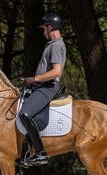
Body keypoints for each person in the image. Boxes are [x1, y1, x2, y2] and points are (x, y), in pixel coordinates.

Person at [19, 13, 66, 166]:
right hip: (41, 86)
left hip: (48, 87)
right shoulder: (52, 45)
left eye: (43, 29)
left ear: (49, 27)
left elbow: (57, 72)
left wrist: (35, 79)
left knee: (25, 114)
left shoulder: (57, 45)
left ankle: (41, 153)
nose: (43, 32)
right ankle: (25, 151)